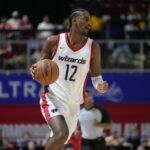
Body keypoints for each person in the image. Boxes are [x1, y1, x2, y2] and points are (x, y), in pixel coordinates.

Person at [30, 8, 108, 150]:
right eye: (85, 19)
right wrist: (34, 71)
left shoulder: (93, 47)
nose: (89, 23)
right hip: (53, 98)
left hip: (74, 104)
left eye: (89, 21)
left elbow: (96, 77)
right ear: (74, 20)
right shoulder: (53, 41)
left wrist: (100, 85)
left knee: (60, 142)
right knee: (61, 134)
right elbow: (39, 67)